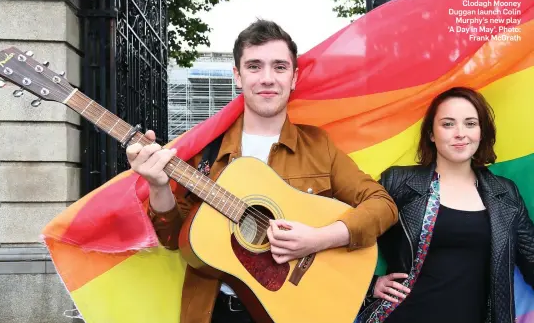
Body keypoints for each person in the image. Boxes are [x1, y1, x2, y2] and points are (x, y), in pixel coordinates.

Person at [126, 19, 398, 323]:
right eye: (254, 66)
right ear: (238, 76)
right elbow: (176, 238)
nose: (267, 78)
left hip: (293, 312)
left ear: (294, 78)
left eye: (279, 67)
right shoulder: (206, 151)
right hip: (213, 313)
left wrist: (319, 238)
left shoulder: (319, 146)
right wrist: (159, 186)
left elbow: (383, 206)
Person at [358, 87, 534, 323]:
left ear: (481, 132)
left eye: (470, 123)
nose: (460, 133)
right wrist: (370, 285)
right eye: (448, 124)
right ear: (431, 133)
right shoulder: (399, 183)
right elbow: (347, 232)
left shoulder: (506, 193)